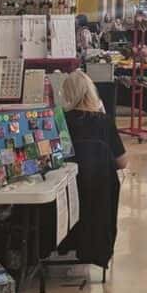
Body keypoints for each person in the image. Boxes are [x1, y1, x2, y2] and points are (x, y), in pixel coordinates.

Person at [58, 71, 127, 270]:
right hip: (99, 196)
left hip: (68, 195)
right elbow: (123, 162)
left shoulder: (60, 122)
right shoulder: (104, 122)